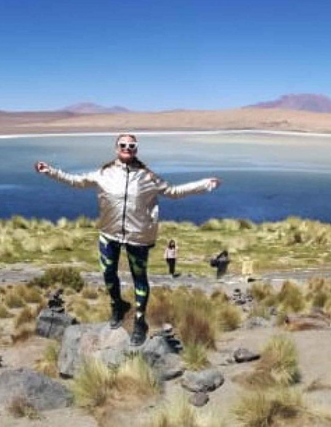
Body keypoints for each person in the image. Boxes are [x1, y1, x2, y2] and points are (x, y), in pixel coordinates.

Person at [35, 134, 220, 345]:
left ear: (136, 150)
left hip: (138, 236)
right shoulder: (104, 173)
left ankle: (140, 321)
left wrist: (205, 184)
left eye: (132, 146)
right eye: (123, 145)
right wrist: (50, 171)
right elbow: (77, 182)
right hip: (108, 233)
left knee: (139, 278)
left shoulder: (147, 177)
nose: (127, 148)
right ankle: (117, 306)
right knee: (108, 273)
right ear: (116, 149)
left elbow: (174, 191)